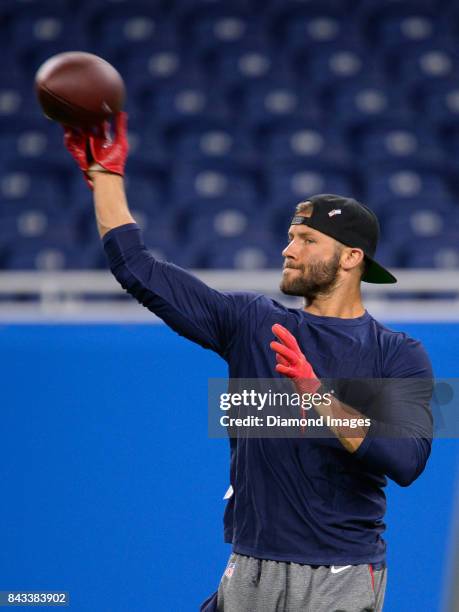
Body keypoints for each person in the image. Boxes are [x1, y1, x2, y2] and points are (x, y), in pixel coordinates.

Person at [62, 113, 434, 612]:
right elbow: (139, 269)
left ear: (351, 258)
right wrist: (106, 176)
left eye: (307, 240)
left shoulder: (398, 352)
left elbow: (408, 461)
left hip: (340, 575)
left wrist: (317, 394)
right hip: (250, 568)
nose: (288, 249)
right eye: (290, 236)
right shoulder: (253, 323)